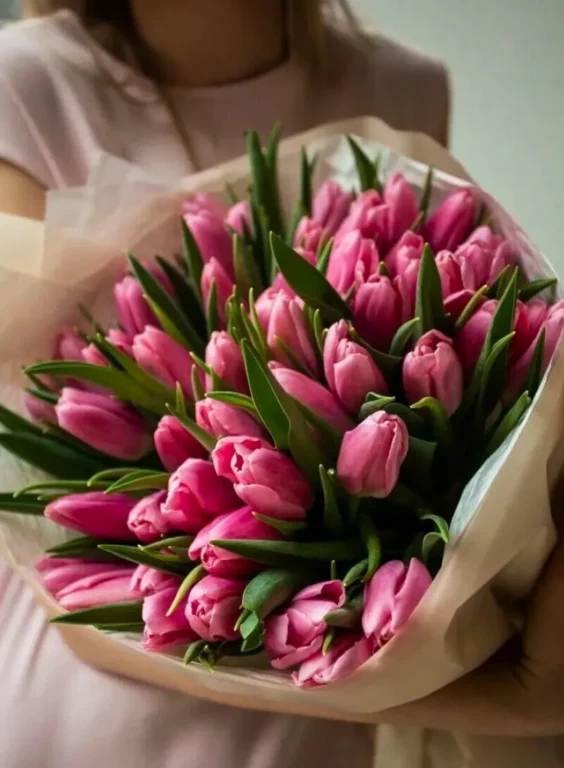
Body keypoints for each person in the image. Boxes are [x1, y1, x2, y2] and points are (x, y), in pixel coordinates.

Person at [2, 2, 557, 767]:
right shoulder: (24, 83)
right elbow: (53, 557)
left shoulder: (404, 86)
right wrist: (509, 700)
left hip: (323, 709)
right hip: (92, 712)